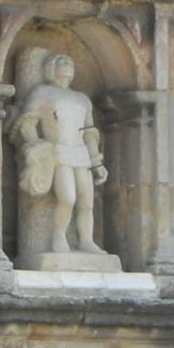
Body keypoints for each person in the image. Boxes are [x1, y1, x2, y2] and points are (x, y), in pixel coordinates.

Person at [14, 53, 108, 254]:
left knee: (86, 201)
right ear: (51, 67)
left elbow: (90, 132)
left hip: (80, 151)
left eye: (71, 62)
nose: (69, 65)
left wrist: (96, 162)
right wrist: (36, 147)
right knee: (68, 198)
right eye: (63, 62)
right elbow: (27, 122)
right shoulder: (42, 92)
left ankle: (86, 240)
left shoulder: (83, 99)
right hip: (58, 149)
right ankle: (59, 235)